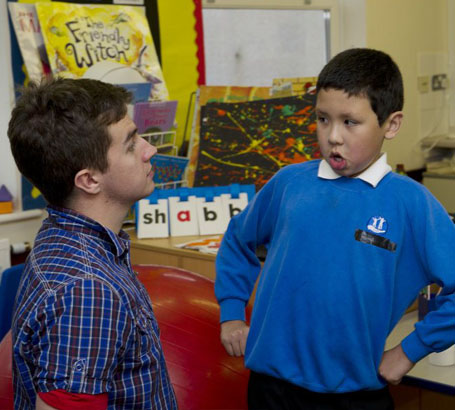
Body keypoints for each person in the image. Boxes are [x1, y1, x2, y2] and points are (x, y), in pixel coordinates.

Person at [215, 48, 455, 409]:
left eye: (350, 122)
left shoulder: (412, 204)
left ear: (391, 124)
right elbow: (237, 239)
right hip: (271, 389)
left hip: (356, 395)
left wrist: (409, 351)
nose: (333, 136)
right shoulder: (289, 184)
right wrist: (232, 312)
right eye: (323, 119)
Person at [8, 77, 178, 410]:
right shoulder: (88, 289)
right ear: (89, 180)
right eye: (131, 144)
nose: (150, 149)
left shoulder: (61, 233)